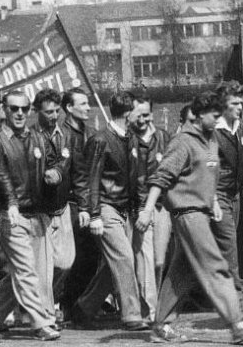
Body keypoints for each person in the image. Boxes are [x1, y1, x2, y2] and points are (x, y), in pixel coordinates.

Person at [142, 92, 243, 344]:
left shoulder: (210, 140)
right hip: (188, 213)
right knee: (214, 265)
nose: (219, 121)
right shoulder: (183, 142)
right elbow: (161, 177)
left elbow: (210, 177)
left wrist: (214, 201)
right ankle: (236, 323)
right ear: (198, 115)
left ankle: (160, 325)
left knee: (182, 272)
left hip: (203, 211)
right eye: (215, 116)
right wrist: (146, 210)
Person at [0, 90, 62, 341]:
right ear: (5, 110)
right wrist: (12, 204)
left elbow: (55, 161)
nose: (19, 114)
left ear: (30, 111)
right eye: (14, 108)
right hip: (10, 214)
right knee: (26, 269)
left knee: (23, 271)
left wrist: (55, 173)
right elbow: (0, 175)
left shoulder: (37, 137)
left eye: (24, 109)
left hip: (36, 213)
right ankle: (41, 323)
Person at [74, 92, 147, 330]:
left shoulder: (132, 139)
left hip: (124, 208)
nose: (144, 116)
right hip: (106, 207)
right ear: (128, 114)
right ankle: (132, 315)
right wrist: (94, 214)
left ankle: (83, 309)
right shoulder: (100, 140)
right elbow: (91, 178)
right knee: (124, 258)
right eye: (139, 111)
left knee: (113, 264)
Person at [31, 89, 90, 324]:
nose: (54, 115)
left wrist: (84, 206)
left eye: (56, 110)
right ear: (37, 112)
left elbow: (77, 172)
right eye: (48, 112)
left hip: (62, 207)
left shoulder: (65, 135)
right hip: (39, 210)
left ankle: (36, 303)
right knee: (41, 270)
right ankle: (45, 315)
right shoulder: (31, 136)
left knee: (65, 262)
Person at [128, 95, 171, 322]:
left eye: (146, 115)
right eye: (138, 115)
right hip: (138, 207)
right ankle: (152, 311)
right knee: (144, 258)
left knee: (159, 261)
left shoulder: (163, 137)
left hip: (162, 206)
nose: (143, 120)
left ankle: (155, 306)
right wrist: (141, 209)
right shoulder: (127, 139)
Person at [58, 88, 100, 319]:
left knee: (89, 257)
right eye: (82, 104)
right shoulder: (62, 135)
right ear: (69, 108)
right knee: (69, 258)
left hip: (88, 202)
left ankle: (77, 305)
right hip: (70, 203)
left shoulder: (91, 134)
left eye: (88, 103)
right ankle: (64, 304)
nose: (87, 108)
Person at [211, 82, 243, 292]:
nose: (240, 106)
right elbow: (206, 169)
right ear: (222, 106)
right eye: (235, 103)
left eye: (241, 102)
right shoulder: (213, 131)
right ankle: (234, 302)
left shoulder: (241, 126)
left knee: (234, 244)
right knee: (229, 247)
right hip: (218, 195)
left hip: (235, 194)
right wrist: (213, 200)